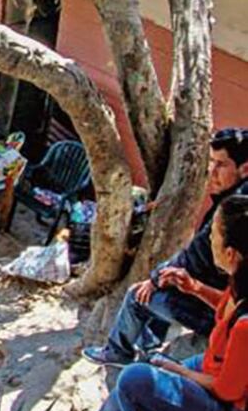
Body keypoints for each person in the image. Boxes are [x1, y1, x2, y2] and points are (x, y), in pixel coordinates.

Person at [70, 195, 248, 411]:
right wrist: (195, 288)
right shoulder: (240, 281)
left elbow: (227, 391)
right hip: (216, 367)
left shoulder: (246, 326)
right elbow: (228, 311)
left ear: (231, 253)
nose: (208, 238)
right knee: (142, 370)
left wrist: (178, 370)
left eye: (214, 233)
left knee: (134, 377)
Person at [83, 129, 248, 366]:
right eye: (211, 162)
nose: (212, 171)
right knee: (167, 282)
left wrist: (154, 279)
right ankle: (148, 347)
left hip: (220, 312)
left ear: (244, 169)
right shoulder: (237, 199)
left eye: (221, 164)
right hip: (224, 303)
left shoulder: (232, 212)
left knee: (137, 295)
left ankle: (118, 352)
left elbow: (197, 255)